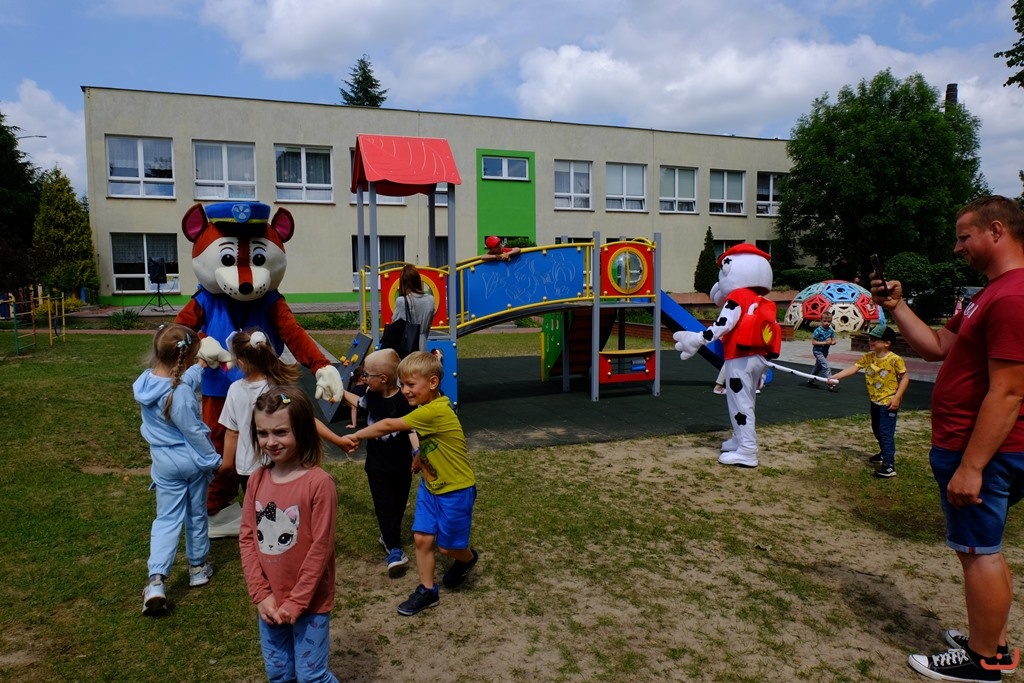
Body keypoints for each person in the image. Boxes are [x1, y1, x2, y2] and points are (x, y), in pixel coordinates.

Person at [873, 196, 1024, 682]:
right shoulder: (988, 293)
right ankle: (993, 644)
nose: (958, 248)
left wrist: (972, 467)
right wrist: (897, 307)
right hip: (968, 446)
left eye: (964, 237)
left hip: (982, 453)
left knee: (979, 553)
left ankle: (981, 663)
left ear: (996, 230)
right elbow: (937, 346)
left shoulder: (1013, 297)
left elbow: (1009, 392)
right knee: (982, 549)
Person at [346, 351, 478, 616]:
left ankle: (468, 559)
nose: (404, 390)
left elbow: (388, 425)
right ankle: (428, 590)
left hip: (455, 490)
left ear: (433, 383)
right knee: (421, 538)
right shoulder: (428, 407)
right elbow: (431, 440)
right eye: (402, 384)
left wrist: (357, 435)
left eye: (410, 384)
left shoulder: (433, 412)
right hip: (430, 487)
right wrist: (419, 457)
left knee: (447, 547)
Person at [239, 386, 339, 683]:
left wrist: (297, 601)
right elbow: (248, 538)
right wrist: (261, 594)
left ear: (303, 431)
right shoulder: (257, 480)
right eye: (262, 433)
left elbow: (321, 548)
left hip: (311, 602)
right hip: (270, 602)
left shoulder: (318, 484)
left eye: (281, 432)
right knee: (279, 673)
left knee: (311, 676)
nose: (270, 441)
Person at [133, 324, 222, 615]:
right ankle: (197, 568)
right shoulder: (180, 393)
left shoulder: (145, 382)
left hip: (164, 464)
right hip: (191, 462)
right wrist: (213, 460)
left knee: (166, 519)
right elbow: (193, 432)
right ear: (185, 358)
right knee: (196, 513)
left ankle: (156, 581)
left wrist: (199, 366)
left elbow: (178, 380)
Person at [340, 349, 418, 577]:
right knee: (384, 506)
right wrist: (338, 391)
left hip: (401, 465)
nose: (363, 379)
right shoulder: (371, 395)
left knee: (398, 504)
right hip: (376, 466)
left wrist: (418, 453)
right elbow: (359, 402)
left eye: (367, 375)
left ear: (383, 378)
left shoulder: (404, 401)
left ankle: (388, 535)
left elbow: (412, 430)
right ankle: (394, 550)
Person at [219, 328, 302, 495]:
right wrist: (337, 440)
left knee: (256, 507)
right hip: (279, 461)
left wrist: (226, 464)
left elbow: (232, 432)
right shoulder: (279, 386)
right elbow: (302, 419)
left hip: (247, 467)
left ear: (240, 362)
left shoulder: (235, 389)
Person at [827, 325, 910, 478]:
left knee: (885, 432)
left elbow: (905, 378)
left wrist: (897, 397)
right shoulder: (868, 357)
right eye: (870, 338)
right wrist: (836, 376)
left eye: (875, 339)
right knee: (877, 429)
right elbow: (854, 368)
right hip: (875, 401)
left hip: (888, 403)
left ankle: (889, 465)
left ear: (887, 343)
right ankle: (884, 452)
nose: (871, 341)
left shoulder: (895, 360)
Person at [392, 264, 436, 352]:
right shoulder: (430, 300)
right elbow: (428, 325)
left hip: (407, 346)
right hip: (423, 344)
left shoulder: (401, 301)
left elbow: (395, 327)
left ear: (403, 283)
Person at [808, 310, 837, 391]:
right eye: (824, 321)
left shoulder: (830, 330)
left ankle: (811, 379)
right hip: (818, 351)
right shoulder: (818, 330)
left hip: (825, 352)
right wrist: (824, 342)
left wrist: (831, 342)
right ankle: (831, 383)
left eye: (829, 321)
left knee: (818, 366)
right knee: (825, 366)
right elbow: (814, 342)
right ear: (821, 320)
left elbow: (834, 341)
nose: (826, 323)